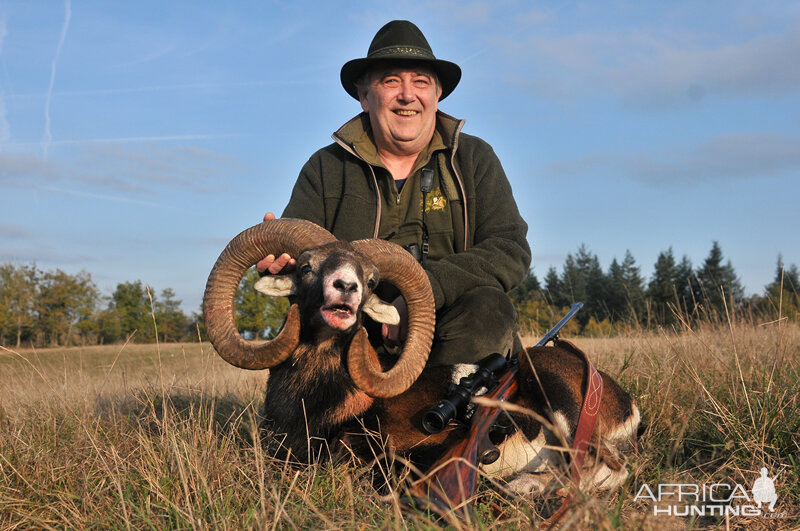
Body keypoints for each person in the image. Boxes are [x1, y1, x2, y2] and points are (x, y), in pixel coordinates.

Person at [257, 20, 530, 366]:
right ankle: (342, 414)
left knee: (489, 310)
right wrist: (281, 263)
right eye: (390, 81)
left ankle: (444, 413)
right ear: (364, 96)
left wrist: (423, 294)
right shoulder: (326, 168)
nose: (407, 95)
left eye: (421, 81)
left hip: (448, 329)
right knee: (309, 334)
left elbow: (509, 248)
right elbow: (302, 261)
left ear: (437, 94)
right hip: (355, 328)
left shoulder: (474, 159)